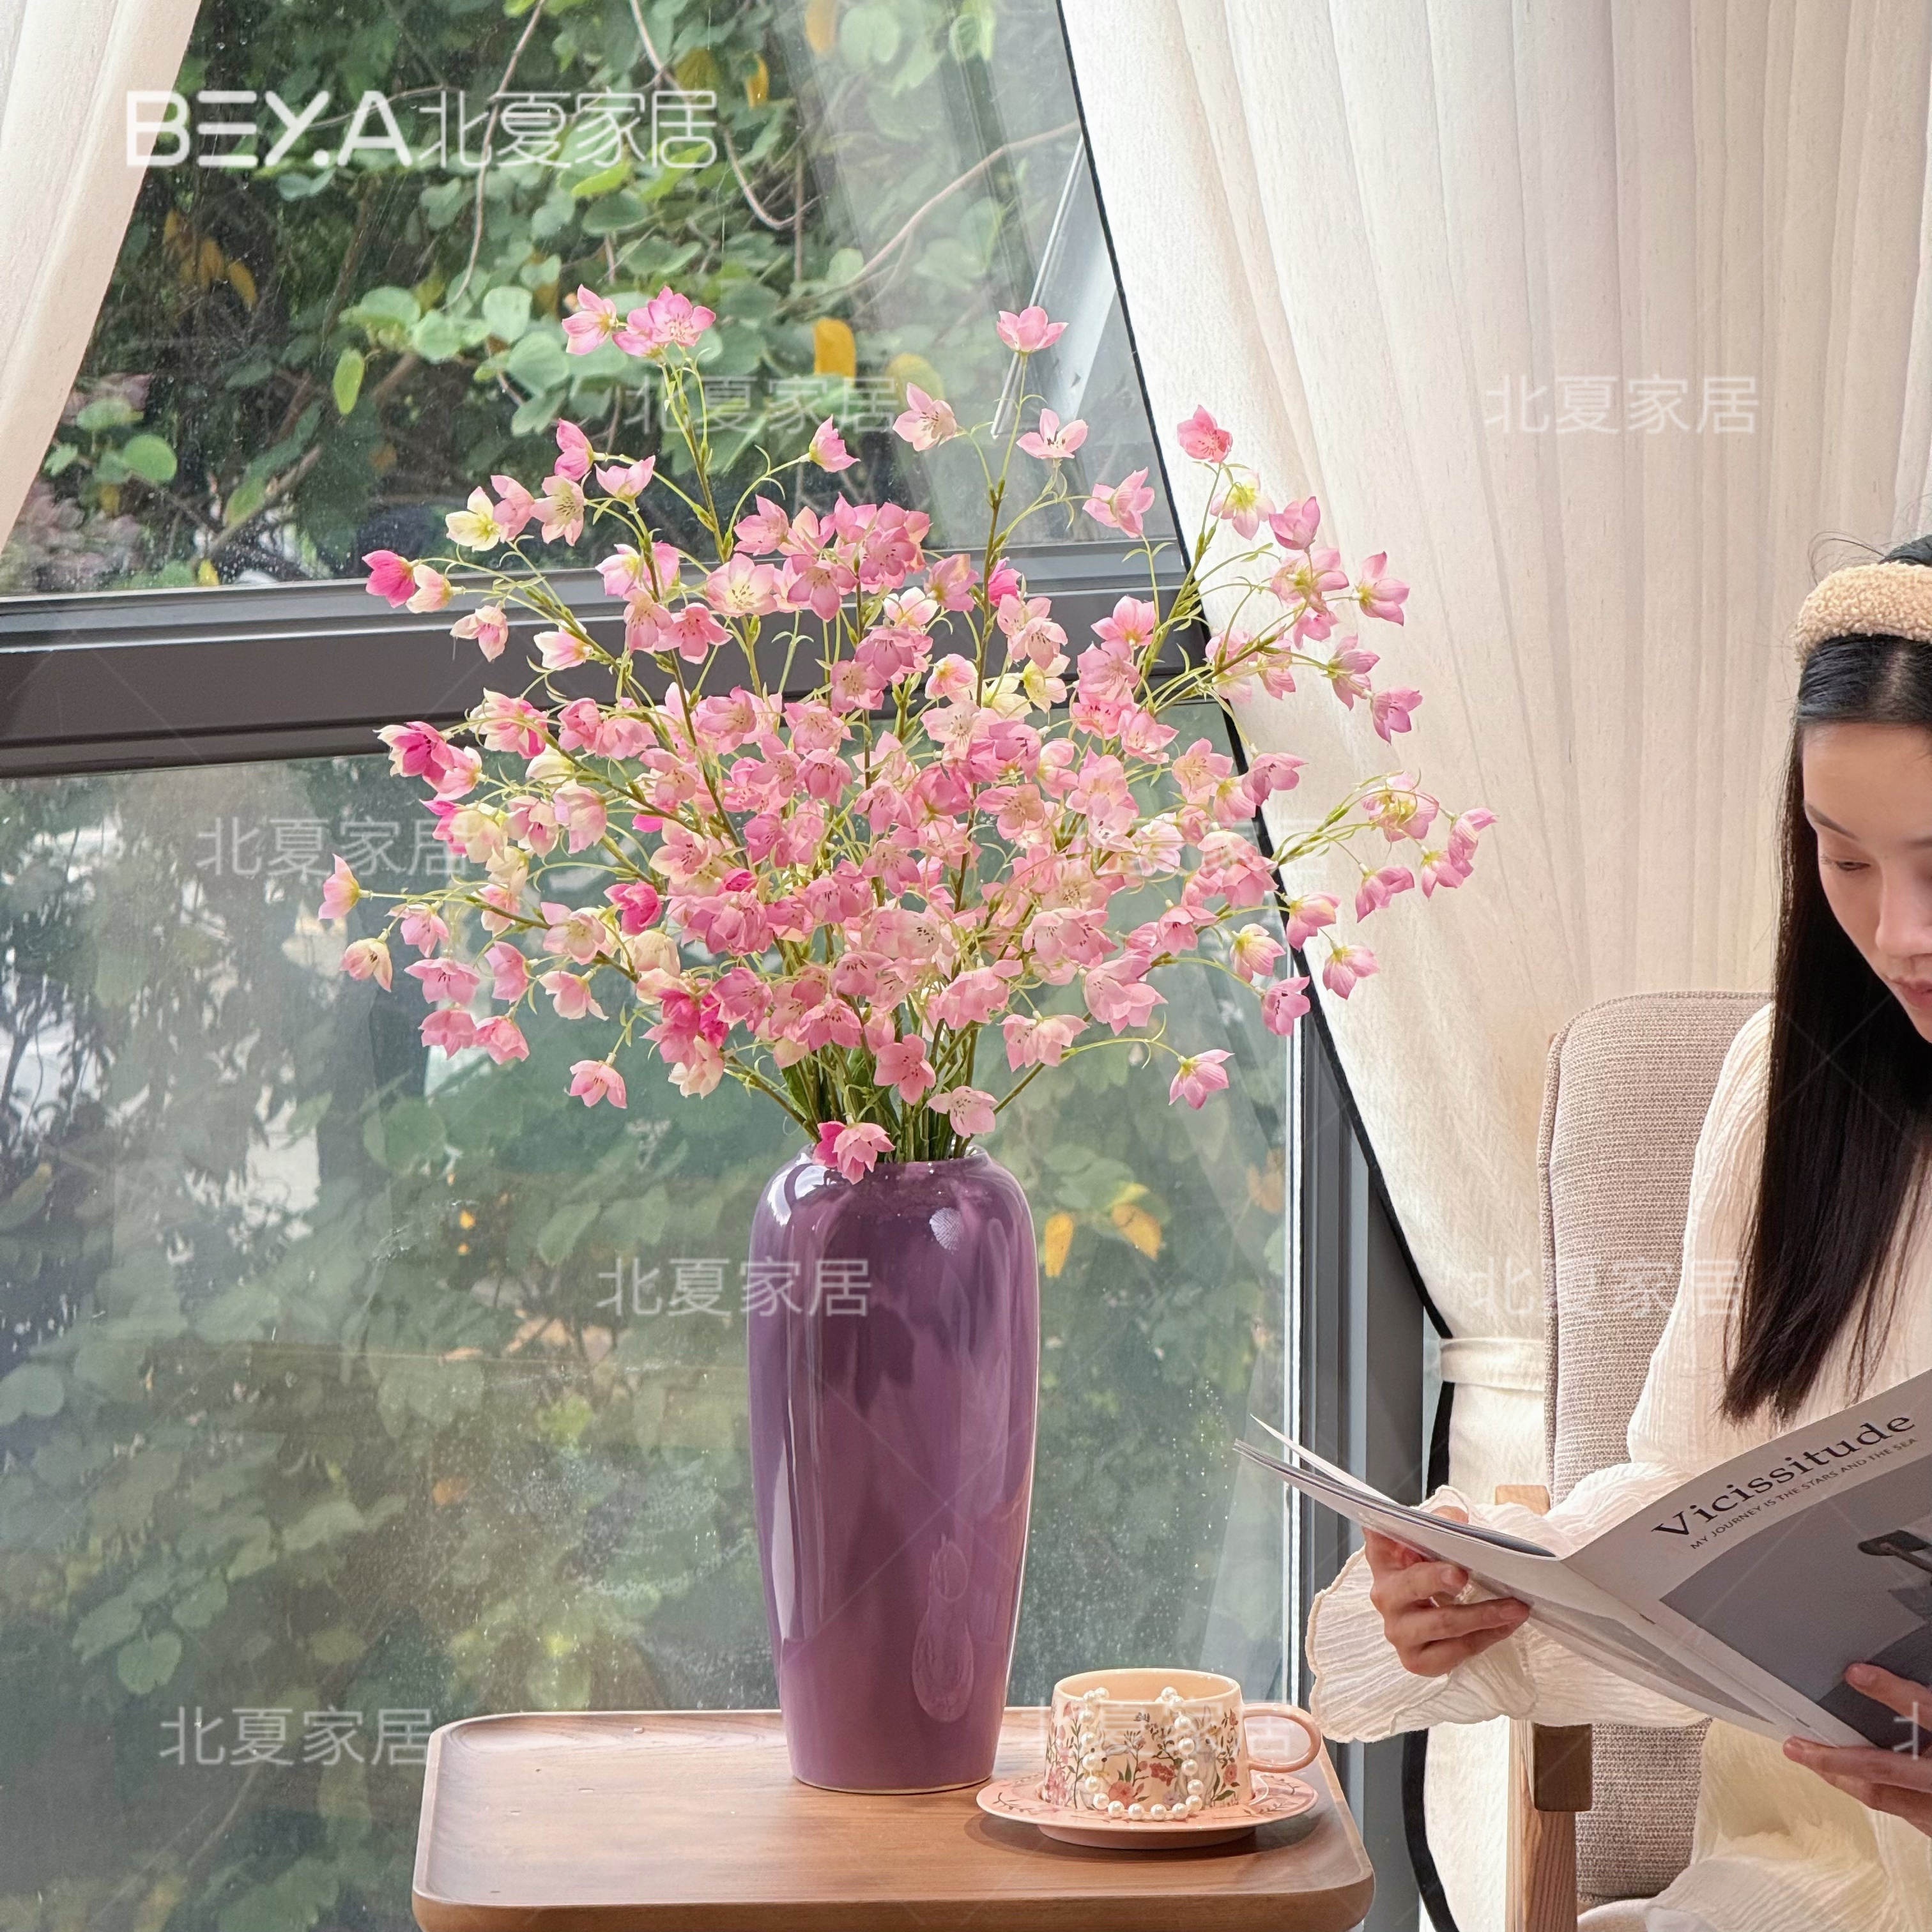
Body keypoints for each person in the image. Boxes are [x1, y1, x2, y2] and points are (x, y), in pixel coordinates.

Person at [1307, 541, 1932, 1932]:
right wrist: (1479, 1588)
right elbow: (1688, 1501)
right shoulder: (1797, 1090)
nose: (1899, 935)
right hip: (1800, 1885)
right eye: (1844, 860)